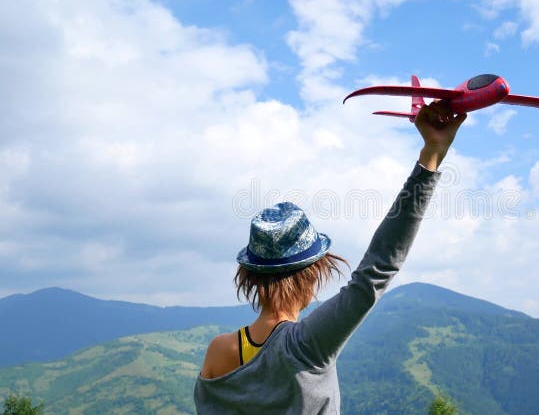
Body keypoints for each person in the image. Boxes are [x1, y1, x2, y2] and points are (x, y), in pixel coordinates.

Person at [194, 101, 467, 414]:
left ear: (251, 274)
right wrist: (431, 154)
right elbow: (377, 269)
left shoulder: (218, 352)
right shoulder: (307, 344)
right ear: (312, 274)